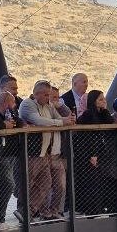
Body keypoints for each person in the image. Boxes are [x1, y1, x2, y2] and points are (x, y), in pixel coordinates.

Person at [20, 81, 73, 220]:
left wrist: (63, 120)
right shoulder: (27, 104)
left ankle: (31, 211)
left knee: (46, 183)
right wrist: (60, 122)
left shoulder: (48, 105)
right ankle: (26, 210)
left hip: (44, 153)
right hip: (32, 152)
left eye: (49, 95)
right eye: (46, 95)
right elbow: (38, 121)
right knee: (28, 183)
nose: (48, 98)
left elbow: (61, 118)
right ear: (36, 93)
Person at [74, 90, 115, 215]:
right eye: (100, 99)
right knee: (90, 182)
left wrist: (105, 109)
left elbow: (111, 123)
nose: (103, 101)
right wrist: (92, 154)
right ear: (93, 101)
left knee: (98, 181)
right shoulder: (88, 114)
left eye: (104, 99)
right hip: (87, 151)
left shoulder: (102, 113)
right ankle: (89, 209)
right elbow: (87, 135)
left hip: (97, 150)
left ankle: (97, 207)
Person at [0, 90, 22, 224]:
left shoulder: (11, 113)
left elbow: (19, 122)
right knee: (7, 185)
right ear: (5, 102)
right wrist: (4, 125)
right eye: (12, 101)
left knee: (6, 185)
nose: (14, 104)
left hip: (10, 153)